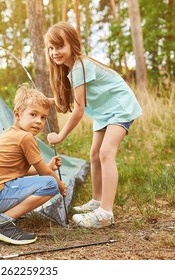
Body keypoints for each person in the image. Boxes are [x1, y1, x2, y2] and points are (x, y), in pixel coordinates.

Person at [44, 21, 142, 228]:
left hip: (119, 107)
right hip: (104, 112)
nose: (54, 52)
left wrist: (61, 136)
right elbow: (71, 102)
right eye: (51, 48)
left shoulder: (80, 66)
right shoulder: (71, 69)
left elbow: (79, 109)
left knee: (106, 152)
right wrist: (49, 102)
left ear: (72, 44)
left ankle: (106, 212)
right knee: (94, 155)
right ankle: (97, 201)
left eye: (59, 46)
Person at [0, 84, 66, 245]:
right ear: (17, 115)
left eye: (43, 117)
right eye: (33, 114)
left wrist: (48, 167)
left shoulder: (10, 132)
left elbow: (18, 171)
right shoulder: (25, 138)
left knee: (32, 181)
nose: (38, 121)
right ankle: (2, 223)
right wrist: (61, 186)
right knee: (50, 184)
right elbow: (45, 175)